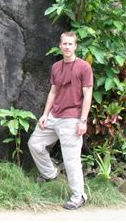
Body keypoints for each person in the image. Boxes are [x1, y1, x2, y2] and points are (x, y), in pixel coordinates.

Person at [28, 31, 93, 210]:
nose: (67, 47)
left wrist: (83, 120)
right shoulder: (56, 66)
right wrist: (44, 114)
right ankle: (50, 173)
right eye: (64, 44)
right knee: (34, 143)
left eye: (70, 44)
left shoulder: (84, 67)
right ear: (60, 45)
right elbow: (53, 92)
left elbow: (88, 94)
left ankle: (78, 196)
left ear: (75, 46)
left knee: (71, 159)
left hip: (72, 119)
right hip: (53, 116)